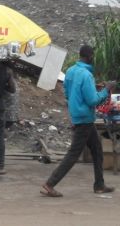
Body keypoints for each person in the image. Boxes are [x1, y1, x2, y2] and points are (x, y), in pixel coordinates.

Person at [41, 45, 115, 197]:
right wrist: (106, 89)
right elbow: (93, 100)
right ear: (90, 57)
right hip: (85, 119)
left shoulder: (70, 71)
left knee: (97, 150)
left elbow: (68, 93)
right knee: (73, 154)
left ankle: (99, 184)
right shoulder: (86, 75)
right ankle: (50, 184)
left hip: (78, 117)